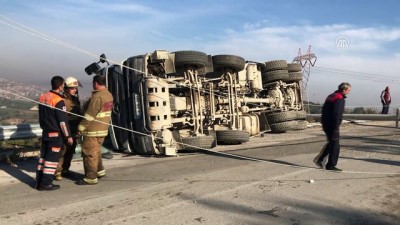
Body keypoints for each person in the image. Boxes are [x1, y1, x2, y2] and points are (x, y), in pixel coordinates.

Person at [36, 76, 73, 191]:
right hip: (55, 134)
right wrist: (68, 136)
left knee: (43, 158)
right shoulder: (58, 100)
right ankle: (46, 183)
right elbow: (62, 121)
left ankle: (39, 180)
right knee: (51, 160)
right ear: (60, 86)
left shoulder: (43, 97)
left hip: (45, 132)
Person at [76, 75, 113, 185]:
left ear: (95, 83)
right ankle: (100, 171)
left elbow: (89, 116)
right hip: (102, 129)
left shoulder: (97, 97)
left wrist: (80, 127)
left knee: (89, 153)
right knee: (96, 152)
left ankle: (90, 177)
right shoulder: (108, 95)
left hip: (93, 130)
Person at [313, 82, 352, 171]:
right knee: (335, 145)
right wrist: (336, 125)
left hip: (326, 123)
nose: (349, 92)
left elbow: (325, 110)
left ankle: (320, 159)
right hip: (332, 124)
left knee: (332, 142)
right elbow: (337, 113)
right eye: (348, 90)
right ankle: (330, 165)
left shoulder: (331, 96)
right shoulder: (340, 98)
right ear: (344, 90)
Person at [54, 77, 82, 181]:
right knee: (63, 151)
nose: (75, 90)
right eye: (72, 88)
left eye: (75, 88)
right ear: (66, 89)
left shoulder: (75, 99)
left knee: (70, 150)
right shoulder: (62, 100)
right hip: (66, 129)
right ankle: (57, 171)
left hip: (74, 128)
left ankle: (65, 169)